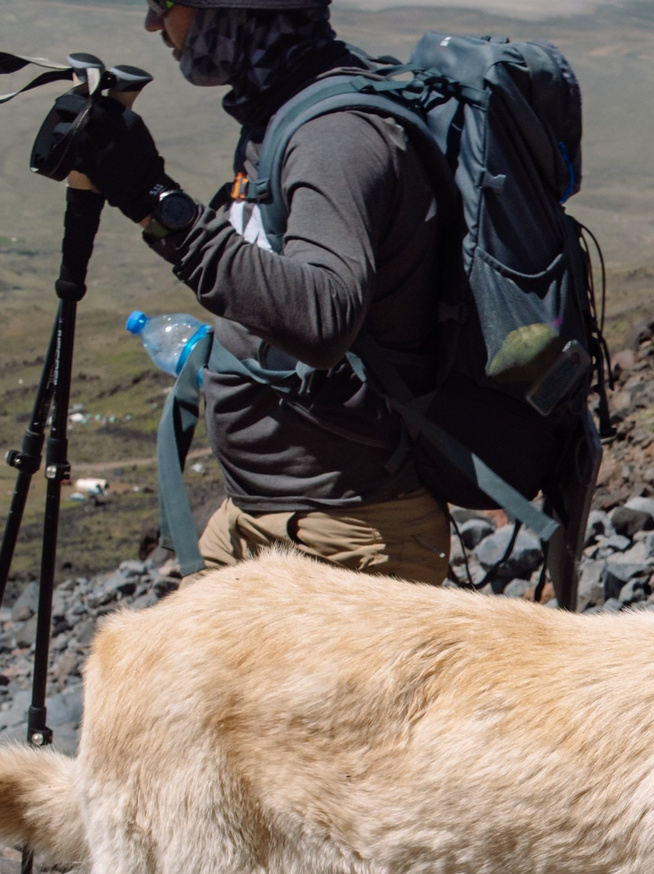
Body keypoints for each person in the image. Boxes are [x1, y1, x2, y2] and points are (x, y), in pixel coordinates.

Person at [52, 0, 450, 584]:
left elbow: (322, 315)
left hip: (345, 537)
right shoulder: (281, 109)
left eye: (165, 2)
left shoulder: (333, 133)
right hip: (258, 517)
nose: (151, 23)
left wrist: (152, 199)